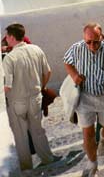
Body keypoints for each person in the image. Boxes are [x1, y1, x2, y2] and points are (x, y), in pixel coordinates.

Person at [64, 22, 104, 177]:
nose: (92, 46)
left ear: (101, 37)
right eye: (88, 42)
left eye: (96, 41)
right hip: (85, 97)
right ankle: (93, 165)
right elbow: (67, 61)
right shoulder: (77, 48)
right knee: (88, 134)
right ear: (83, 38)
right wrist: (74, 75)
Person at [2, 23, 56, 171]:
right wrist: (41, 86)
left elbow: (8, 85)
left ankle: (26, 168)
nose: (6, 38)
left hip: (17, 101)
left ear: (12, 37)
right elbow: (48, 72)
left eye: (7, 36)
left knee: (21, 137)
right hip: (36, 96)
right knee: (38, 130)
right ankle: (47, 158)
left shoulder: (10, 58)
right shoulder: (36, 49)